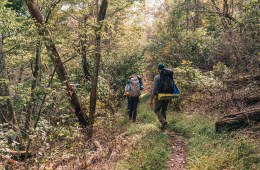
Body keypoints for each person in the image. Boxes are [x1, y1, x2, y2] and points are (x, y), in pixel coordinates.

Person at [150, 64, 171, 129]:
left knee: (156, 109)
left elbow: (154, 89)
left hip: (159, 96)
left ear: (159, 70)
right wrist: (171, 98)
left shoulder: (157, 77)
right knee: (164, 110)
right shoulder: (169, 76)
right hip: (168, 95)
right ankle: (164, 125)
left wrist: (151, 98)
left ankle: (163, 121)